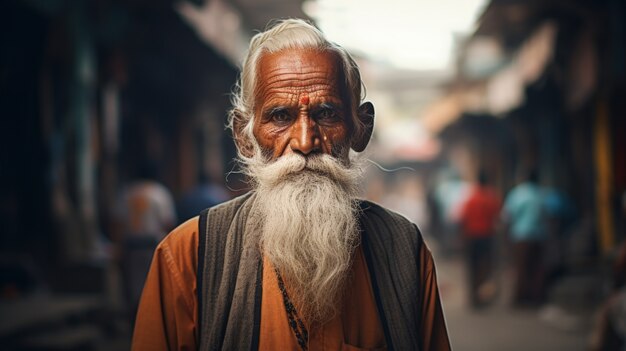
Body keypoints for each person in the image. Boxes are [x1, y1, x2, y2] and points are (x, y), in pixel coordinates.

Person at [132, 19, 450, 350]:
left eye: (326, 113)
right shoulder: (187, 258)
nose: (304, 141)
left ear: (361, 128)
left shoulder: (403, 251)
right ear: (244, 136)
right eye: (281, 117)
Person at [456, 169, 501, 308]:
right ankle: (483, 296)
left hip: (471, 237)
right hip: (487, 237)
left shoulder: (471, 199)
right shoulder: (491, 197)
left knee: (472, 268)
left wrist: (461, 238)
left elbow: (462, 219)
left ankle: (473, 297)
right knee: (485, 267)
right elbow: (498, 217)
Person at [501, 169, 547, 307]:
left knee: (521, 268)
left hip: (521, 236)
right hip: (539, 236)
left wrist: (506, 238)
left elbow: (507, 216)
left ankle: (521, 299)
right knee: (536, 268)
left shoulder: (517, 194)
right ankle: (535, 298)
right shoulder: (542, 194)